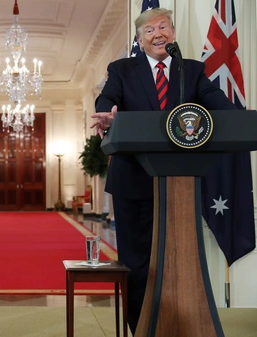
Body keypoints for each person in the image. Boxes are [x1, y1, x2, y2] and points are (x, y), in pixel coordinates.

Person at [90, 8, 237, 334]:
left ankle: (182, 325)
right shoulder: (122, 69)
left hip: (182, 184)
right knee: (138, 263)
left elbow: (217, 103)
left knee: (181, 259)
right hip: (133, 182)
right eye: (150, 30)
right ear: (140, 40)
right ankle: (140, 327)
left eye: (164, 27)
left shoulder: (193, 71)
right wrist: (105, 113)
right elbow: (107, 97)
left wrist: (239, 116)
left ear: (173, 32)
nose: (158, 34)